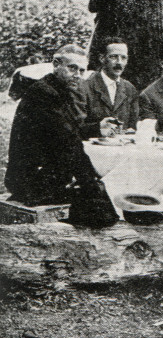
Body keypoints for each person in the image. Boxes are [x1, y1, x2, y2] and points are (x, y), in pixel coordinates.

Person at [5, 45, 117, 226]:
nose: (77, 75)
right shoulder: (45, 93)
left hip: (37, 176)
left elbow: (65, 130)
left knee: (103, 195)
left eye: (82, 71)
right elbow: (68, 141)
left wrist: (96, 128)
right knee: (103, 203)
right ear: (56, 64)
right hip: (31, 182)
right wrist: (91, 184)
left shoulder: (56, 89)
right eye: (72, 68)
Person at [77, 37, 139, 137]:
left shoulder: (129, 89)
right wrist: (98, 128)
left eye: (123, 58)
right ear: (102, 58)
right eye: (114, 57)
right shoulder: (85, 87)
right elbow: (77, 127)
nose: (119, 62)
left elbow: (134, 124)